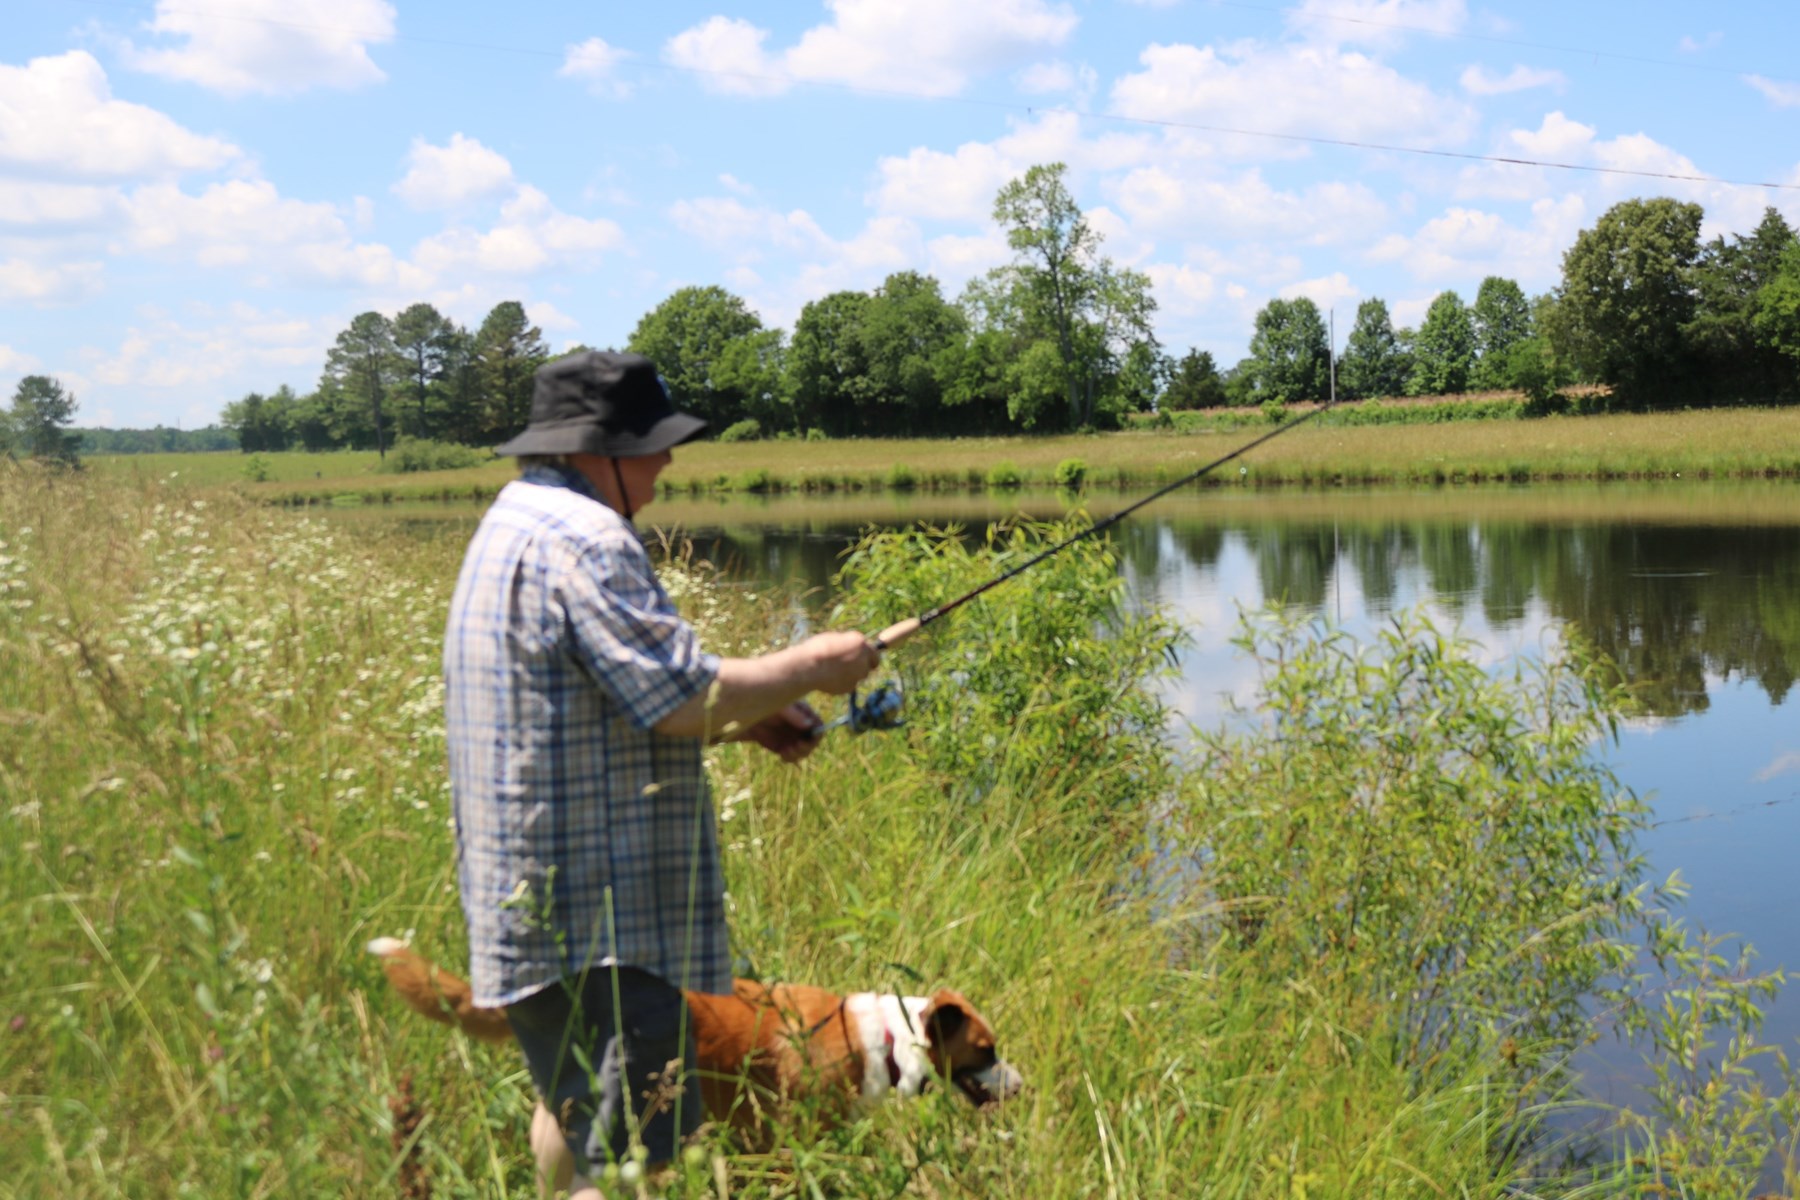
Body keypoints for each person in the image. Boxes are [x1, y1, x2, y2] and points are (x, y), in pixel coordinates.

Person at [442, 350, 880, 1193]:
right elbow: (683, 696)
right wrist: (816, 662)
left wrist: (746, 722)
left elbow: (584, 707)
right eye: (654, 443)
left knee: (574, 1116)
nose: (669, 460)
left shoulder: (511, 520)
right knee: (634, 1154)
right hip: (604, 922)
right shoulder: (589, 539)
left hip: (532, 905)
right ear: (594, 447)